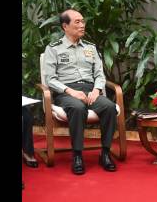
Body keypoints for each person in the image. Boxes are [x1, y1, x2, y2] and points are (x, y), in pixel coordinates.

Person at [43, 9, 118, 175]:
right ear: (65, 26)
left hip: (91, 90)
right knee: (77, 108)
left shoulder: (90, 47)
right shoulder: (53, 49)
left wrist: (97, 90)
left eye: (83, 21)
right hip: (66, 92)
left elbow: (99, 74)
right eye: (77, 22)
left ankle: (105, 153)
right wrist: (71, 91)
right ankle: (77, 155)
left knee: (110, 107)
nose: (82, 25)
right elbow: (50, 80)